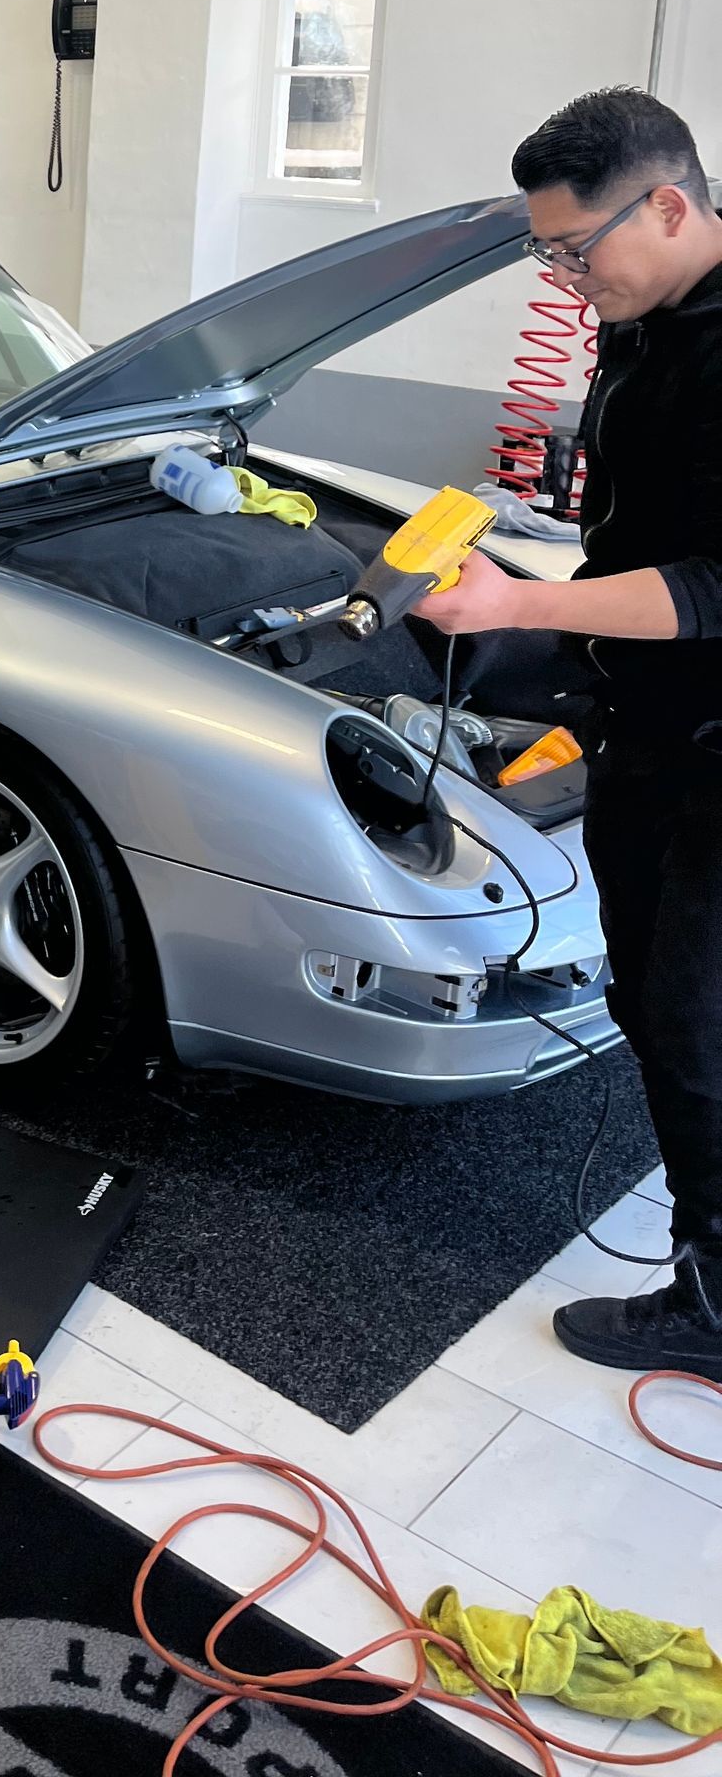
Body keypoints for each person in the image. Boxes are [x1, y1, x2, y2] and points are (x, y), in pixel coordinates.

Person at [416, 88, 722, 1381]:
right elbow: (645, 517)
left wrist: (523, 604)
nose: (562, 278)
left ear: (666, 204)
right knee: (654, 1006)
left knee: (694, 1023)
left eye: (572, 251)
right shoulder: (643, 318)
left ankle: (712, 1309)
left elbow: (716, 584)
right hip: (645, 729)